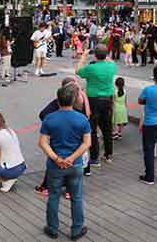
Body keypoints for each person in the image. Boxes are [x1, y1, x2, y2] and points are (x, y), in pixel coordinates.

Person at [39, 84, 92, 240]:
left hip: (55, 165)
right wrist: (71, 158)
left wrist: (56, 158)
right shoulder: (82, 119)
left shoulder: (49, 118)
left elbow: (42, 143)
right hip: (74, 164)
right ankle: (76, 230)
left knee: (54, 195)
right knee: (76, 196)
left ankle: (52, 228)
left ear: (58, 100)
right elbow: (87, 143)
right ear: (74, 100)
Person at [76, 45, 117, 173]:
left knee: (92, 129)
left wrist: (83, 56)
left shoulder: (91, 68)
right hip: (108, 99)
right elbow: (111, 61)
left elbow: (77, 71)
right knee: (107, 127)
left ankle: (95, 158)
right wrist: (105, 54)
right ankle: (109, 154)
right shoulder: (111, 66)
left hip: (93, 100)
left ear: (95, 55)